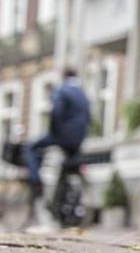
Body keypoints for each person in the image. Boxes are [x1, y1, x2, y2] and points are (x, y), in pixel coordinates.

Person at [24, 67, 90, 195]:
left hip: (62, 135)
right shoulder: (83, 94)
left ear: (64, 77)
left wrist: (53, 131)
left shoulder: (62, 91)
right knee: (71, 161)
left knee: (30, 147)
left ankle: (35, 180)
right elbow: (88, 117)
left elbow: (56, 112)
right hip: (79, 138)